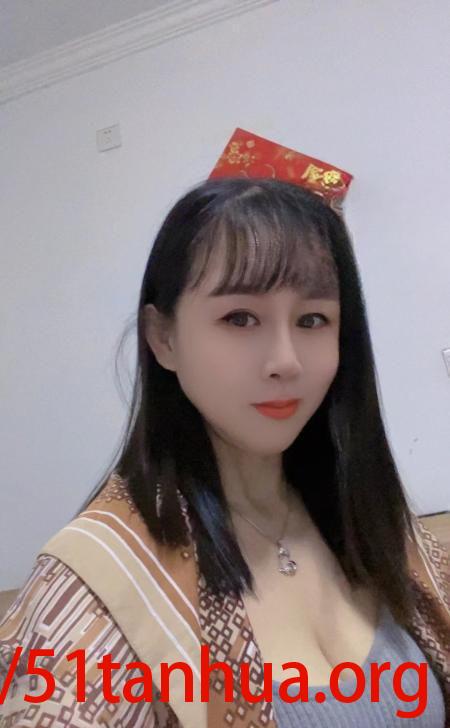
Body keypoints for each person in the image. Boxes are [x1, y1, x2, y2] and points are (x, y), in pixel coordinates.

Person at [0, 177, 449, 728]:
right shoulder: (100, 578)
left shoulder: (372, 519)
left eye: (312, 319)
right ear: (163, 339)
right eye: (240, 318)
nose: (285, 360)